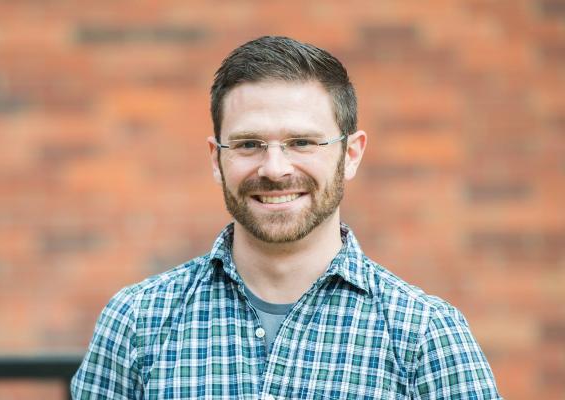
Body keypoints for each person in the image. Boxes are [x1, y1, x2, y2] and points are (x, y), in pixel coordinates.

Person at [71, 36, 501, 399]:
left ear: (350, 154)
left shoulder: (425, 334)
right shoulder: (138, 321)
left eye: (301, 142)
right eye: (248, 144)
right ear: (216, 159)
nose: (274, 169)